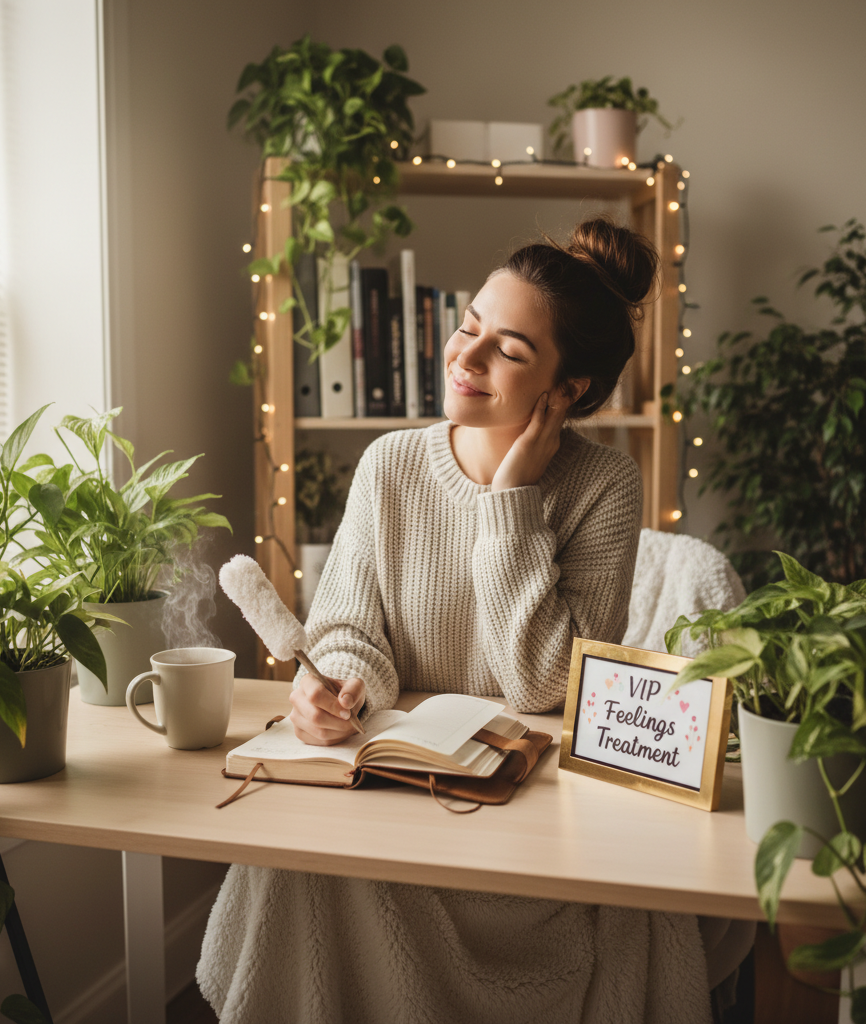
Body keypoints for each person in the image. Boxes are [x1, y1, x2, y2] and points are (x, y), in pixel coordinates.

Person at [198, 218, 713, 1024]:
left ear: (568, 389)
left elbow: (545, 686)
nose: (464, 358)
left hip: (530, 819)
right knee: (298, 866)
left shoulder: (604, 485)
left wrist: (510, 501)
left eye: (507, 350)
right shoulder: (390, 464)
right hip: (401, 802)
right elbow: (348, 629)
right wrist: (338, 689)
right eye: (470, 327)